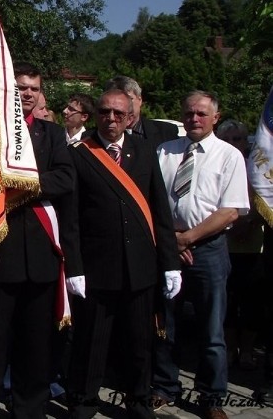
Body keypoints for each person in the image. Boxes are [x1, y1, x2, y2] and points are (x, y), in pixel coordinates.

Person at [64, 89, 181, 419]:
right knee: (90, 344)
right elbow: (71, 218)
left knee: (140, 344)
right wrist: (74, 268)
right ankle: (83, 402)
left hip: (141, 269)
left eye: (118, 113)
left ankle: (139, 402)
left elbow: (160, 211)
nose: (111, 119)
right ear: (95, 114)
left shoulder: (144, 151)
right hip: (97, 269)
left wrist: (170, 264)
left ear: (130, 117)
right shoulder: (79, 154)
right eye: (104, 112)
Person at [0, 63, 75, 418]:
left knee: (36, 347)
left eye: (33, 88)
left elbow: (65, 179)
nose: (27, 93)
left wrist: (24, 181)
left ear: (41, 92)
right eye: (20, 88)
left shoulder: (53, 134)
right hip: (0, 254)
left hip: (42, 259)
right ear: (9, 91)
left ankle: (29, 410)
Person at [151, 92, 250, 419]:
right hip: (167, 248)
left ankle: (211, 398)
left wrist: (188, 239)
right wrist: (172, 242)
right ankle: (165, 386)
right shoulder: (165, 151)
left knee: (211, 330)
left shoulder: (229, 155)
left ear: (215, 118)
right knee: (165, 324)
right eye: (189, 113)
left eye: (201, 114)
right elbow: (152, 202)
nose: (194, 119)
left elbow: (231, 210)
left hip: (208, 250)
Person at [217, 119, 265, 370]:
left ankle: (246, 350)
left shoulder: (258, 168)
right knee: (227, 302)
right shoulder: (219, 162)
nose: (232, 144)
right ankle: (229, 347)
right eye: (227, 139)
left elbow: (266, 201)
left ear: (246, 142)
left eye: (237, 139)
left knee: (251, 302)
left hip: (254, 246)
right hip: (225, 243)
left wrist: (249, 224)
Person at [103, 76, 179, 145]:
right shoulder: (94, 140)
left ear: (140, 100)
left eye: (129, 99)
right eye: (117, 102)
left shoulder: (166, 132)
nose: (124, 106)